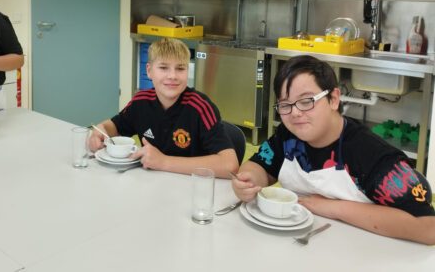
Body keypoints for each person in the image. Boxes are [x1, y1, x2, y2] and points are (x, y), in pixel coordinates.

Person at [232, 54, 435, 245]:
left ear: (334, 98)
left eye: (306, 101)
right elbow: (260, 166)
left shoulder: (370, 154)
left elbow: (428, 228)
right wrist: (249, 180)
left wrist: (334, 208)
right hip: (306, 244)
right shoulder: (288, 136)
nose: (295, 113)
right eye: (285, 105)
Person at [88, 37, 239, 178]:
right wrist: (100, 131)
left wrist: (163, 162)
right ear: (149, 71)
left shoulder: (201, 107)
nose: (172, 76)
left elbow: (230, 165)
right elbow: (114, 126)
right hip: (153, 183)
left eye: (180, 68)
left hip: (191, 185)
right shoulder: (140, 102)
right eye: (163, 67)